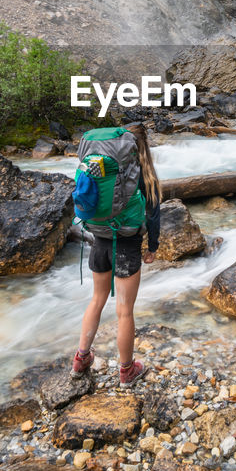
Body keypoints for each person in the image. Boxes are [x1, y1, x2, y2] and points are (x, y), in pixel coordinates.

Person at [71, 124, 161, 385]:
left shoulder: (103, 169)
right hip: (126, 244)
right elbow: (153, 215)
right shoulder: (143, 175)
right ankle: (127, 371)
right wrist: (152, 247)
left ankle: (81, 360)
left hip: (98, 240)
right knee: (124, 312)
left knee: (96, 300)